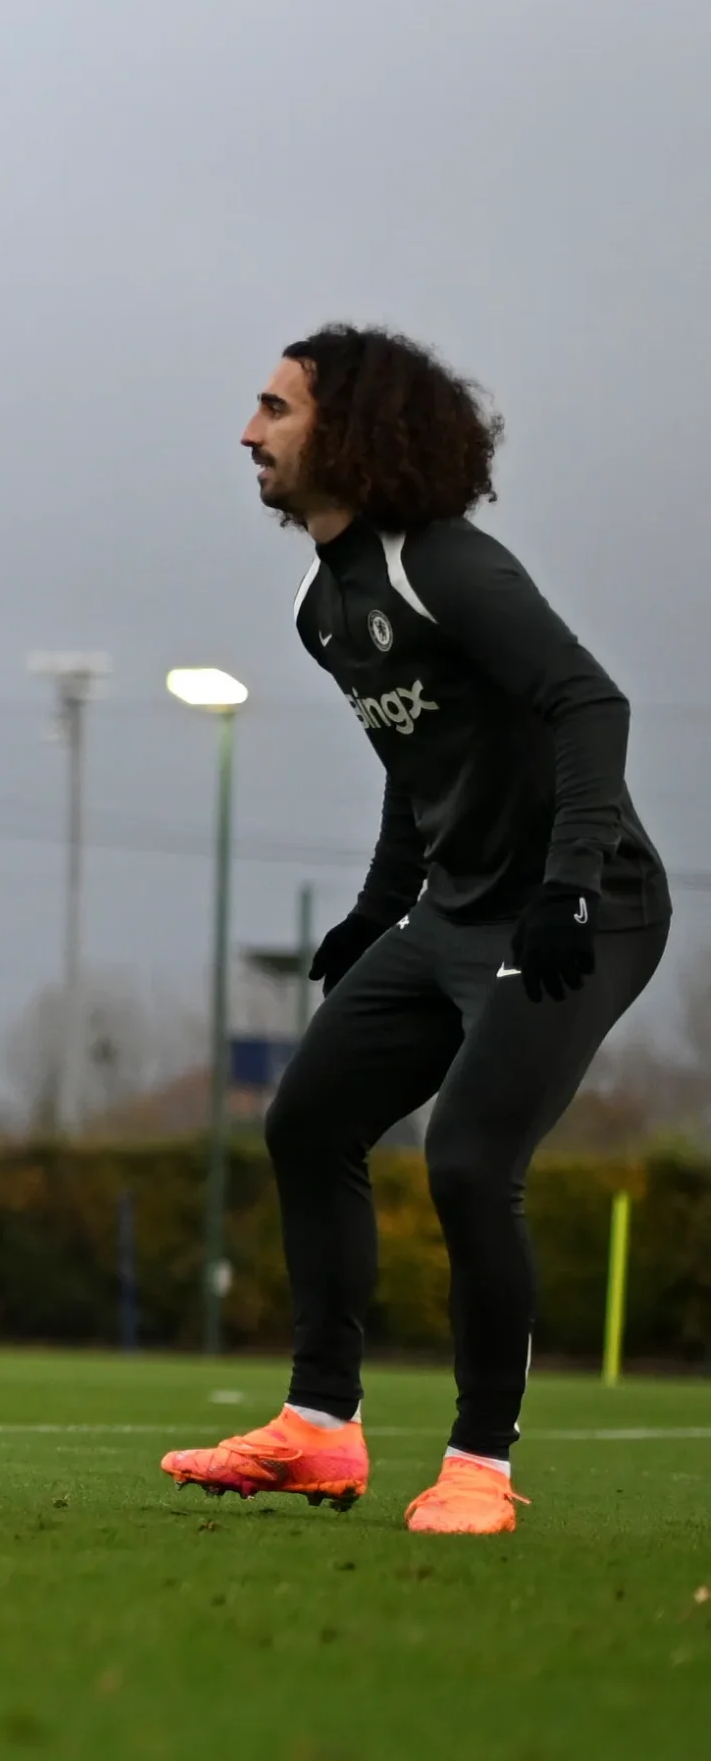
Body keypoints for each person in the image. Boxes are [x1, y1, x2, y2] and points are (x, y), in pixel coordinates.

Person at [162, 325, 669, 1536]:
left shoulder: (441, 564)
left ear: (350, 430)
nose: (249, 433)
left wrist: (564, 886)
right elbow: (420, 757)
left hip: (581, 910)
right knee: (307, 1119)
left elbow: (587, 701)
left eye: (274, 410)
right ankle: (319, 1433)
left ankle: (477, 1470)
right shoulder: (317, 605)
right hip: (448, 914)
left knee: (463, 1162)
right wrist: (376, 905)